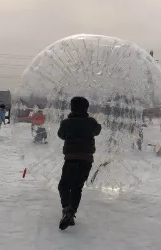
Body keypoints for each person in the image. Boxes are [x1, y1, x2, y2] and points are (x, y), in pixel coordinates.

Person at [57, 96, 101, 230]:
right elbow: (97, 131)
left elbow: (61, 135)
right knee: (77, 187)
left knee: (64, 186)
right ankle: (71, 213)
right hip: (86, 159)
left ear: (72, 108)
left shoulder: (66, 123)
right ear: (86, 108)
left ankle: (67, 209)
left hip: (71, 158)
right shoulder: (91, 122)